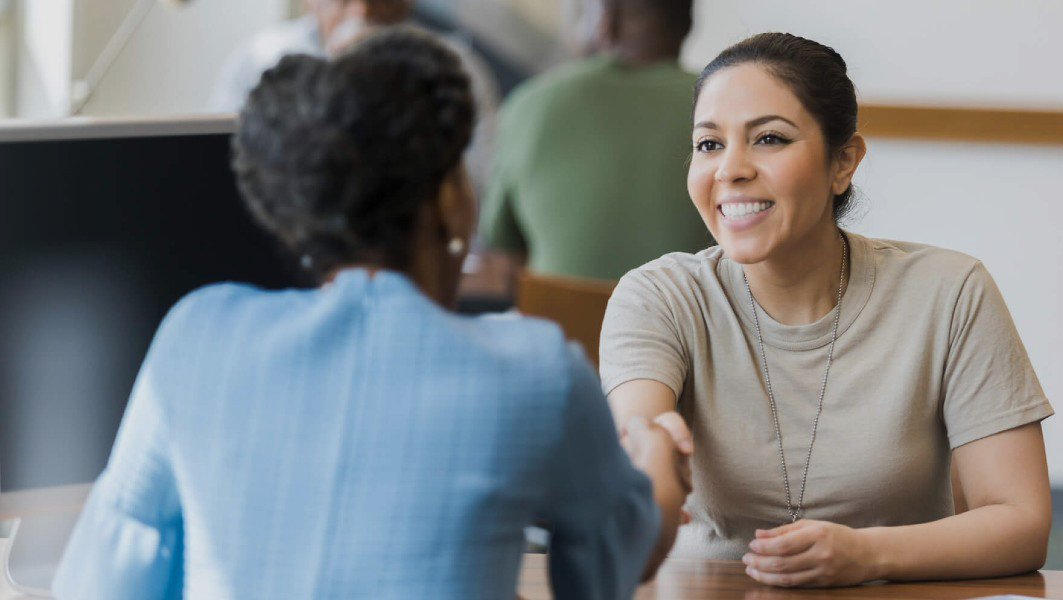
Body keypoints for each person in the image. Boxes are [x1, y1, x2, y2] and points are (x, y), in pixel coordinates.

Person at [52, 28, 689, 600]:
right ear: (448, 199)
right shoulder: (536, 371)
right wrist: (657, 452)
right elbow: (620, 554)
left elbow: (106, 579)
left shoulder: (195, 334)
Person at [600, 32, 1054, 587]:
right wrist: (651, 459)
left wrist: (866, 555)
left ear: (843, 162)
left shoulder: (950, 291)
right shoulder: (658, 295)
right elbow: (643, 437)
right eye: (709, 144)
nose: (730, 169)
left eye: (768, 138)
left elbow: (1021, 521)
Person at [477, 0, 711, 281]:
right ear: (687, 26)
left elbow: (504, 252)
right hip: (682, 321)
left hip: (559, 320)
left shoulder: (530, 103)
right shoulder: (719, 104)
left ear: (606, 23)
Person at [209, 0, 500, 194]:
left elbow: (485, 186)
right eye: (343, 0)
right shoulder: (260, 58)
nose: (361, 13)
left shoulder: (455, 66)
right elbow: (219, 167)